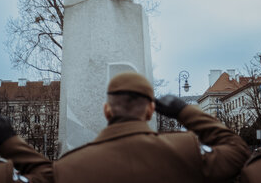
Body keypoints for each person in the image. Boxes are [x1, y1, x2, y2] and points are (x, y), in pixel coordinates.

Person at [53, 72, 250, 183]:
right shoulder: (184, 150)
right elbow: (238, 151)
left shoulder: (66, 168)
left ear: (107, 110)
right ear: (150, 111)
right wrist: (184, 111)